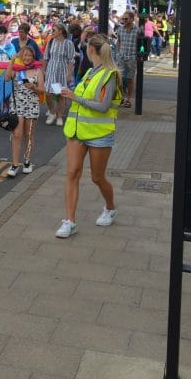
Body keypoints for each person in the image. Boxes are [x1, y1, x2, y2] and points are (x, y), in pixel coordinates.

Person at [56, 34, 121, 238]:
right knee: (72, 173)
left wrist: (75, 97)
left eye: (86, 48)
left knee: (97, 177)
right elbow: (83, 97)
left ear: (91, 50)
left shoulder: (110, 75)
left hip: (99, 134)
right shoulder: (90, 73)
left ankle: (110, 208)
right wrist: (69, 93)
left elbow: (102, 107)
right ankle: (69, 222)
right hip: (76, 131)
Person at [4, 44, 43, 178]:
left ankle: (27, 162)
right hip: (17, 105)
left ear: (33, 57)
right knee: (17, 134)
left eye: (30, 55)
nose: (27, 58)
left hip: (32, 105)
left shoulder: (38, 71)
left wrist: (33, 87)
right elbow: (7, 78)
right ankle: (14, 165)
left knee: (29, 134)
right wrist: (12, 61)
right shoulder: (16, 69)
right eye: (25, 55)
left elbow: (42, 90)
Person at [42, 22, 76, 126]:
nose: (52, 32)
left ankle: (59, 116)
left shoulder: (68, 43)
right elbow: (46, 57)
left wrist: (69, 74)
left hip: (62, 71)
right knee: (48, 93)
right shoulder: (51, 41)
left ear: (60, 31)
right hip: (51, 70)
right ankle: (52, 112)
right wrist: (44, 70)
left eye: (54, 30)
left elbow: (71, 60)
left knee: (61, 94)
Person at [113, 12, 139, 108]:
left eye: (126, 19)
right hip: (122, 57)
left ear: (132, 19)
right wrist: (118, 53)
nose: (124, 20)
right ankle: (121, 98)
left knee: (130, 78)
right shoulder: (120, 29)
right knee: (119, 78)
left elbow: (142, 43)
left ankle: (129, 99)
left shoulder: (137, 30)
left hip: (132, 57)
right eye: (123, 19)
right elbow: (119, 41)